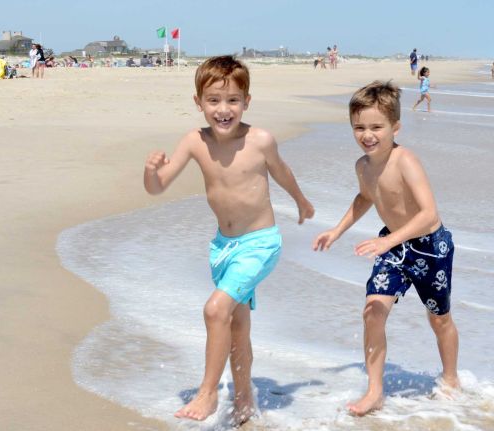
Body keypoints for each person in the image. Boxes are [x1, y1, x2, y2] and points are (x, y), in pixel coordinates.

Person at [143, 55, 315, 424]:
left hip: (260, 244)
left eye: (233, 100)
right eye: (214, 101)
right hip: (223, 248)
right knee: (236, 327)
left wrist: (301, 201)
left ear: (246, 102)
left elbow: (282, 172)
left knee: (214, 310)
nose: (224, 110)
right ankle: (244, 398)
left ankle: (207, 393)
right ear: (199, 102)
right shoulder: (195, 141)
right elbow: (158, 187)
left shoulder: (260, 140)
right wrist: (151, 172)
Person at [313, 80, 460, 416]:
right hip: (393, 248)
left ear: (395, 127)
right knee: (372, 311)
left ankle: (451, 378)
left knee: (439, 320)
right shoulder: (362, 166)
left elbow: (429, 214)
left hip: (430, 248)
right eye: (359, 127)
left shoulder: (405, 160)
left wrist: (387, 241)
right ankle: (375, 391)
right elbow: (366, 197)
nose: (367, 135)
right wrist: (336, 230)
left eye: (376, 127)